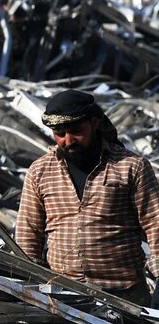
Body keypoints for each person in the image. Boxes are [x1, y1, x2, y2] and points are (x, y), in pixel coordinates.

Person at [15, 89, 159, 305]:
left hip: (125, 295)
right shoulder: (40, 171)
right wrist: (27, 283)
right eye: (60, 134)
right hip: (63, 295)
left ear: (95, 123)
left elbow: (155, 224)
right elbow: (28, 233)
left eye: (76, 131)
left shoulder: (131, 167)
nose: (68, 140)